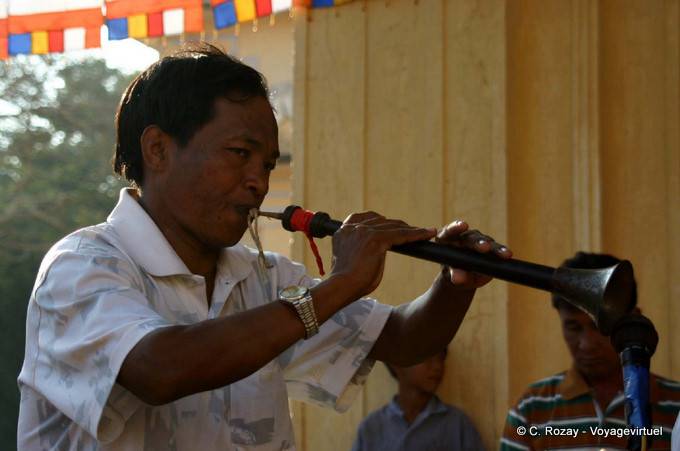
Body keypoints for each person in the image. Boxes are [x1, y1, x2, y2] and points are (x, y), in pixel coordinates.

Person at [17, 43, 511, 450]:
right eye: (240, 154)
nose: (259, 182)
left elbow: (405, 339)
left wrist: (455, 283)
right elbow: (159, 368)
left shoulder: (267, 278)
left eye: (269, 164)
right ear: (158, 149)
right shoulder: (81, 266)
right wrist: (337, 285)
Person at [500, 252, 680, 451]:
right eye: (573, 327)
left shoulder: (677, 405)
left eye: (598, 326)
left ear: (633, 320)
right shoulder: (530, 409)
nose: (586, 344)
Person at [351, 349, 485, 451]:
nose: (437, 366)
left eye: (441, 358)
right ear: (398, 364)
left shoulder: (457, 424)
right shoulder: (371, 429)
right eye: (427, 358)